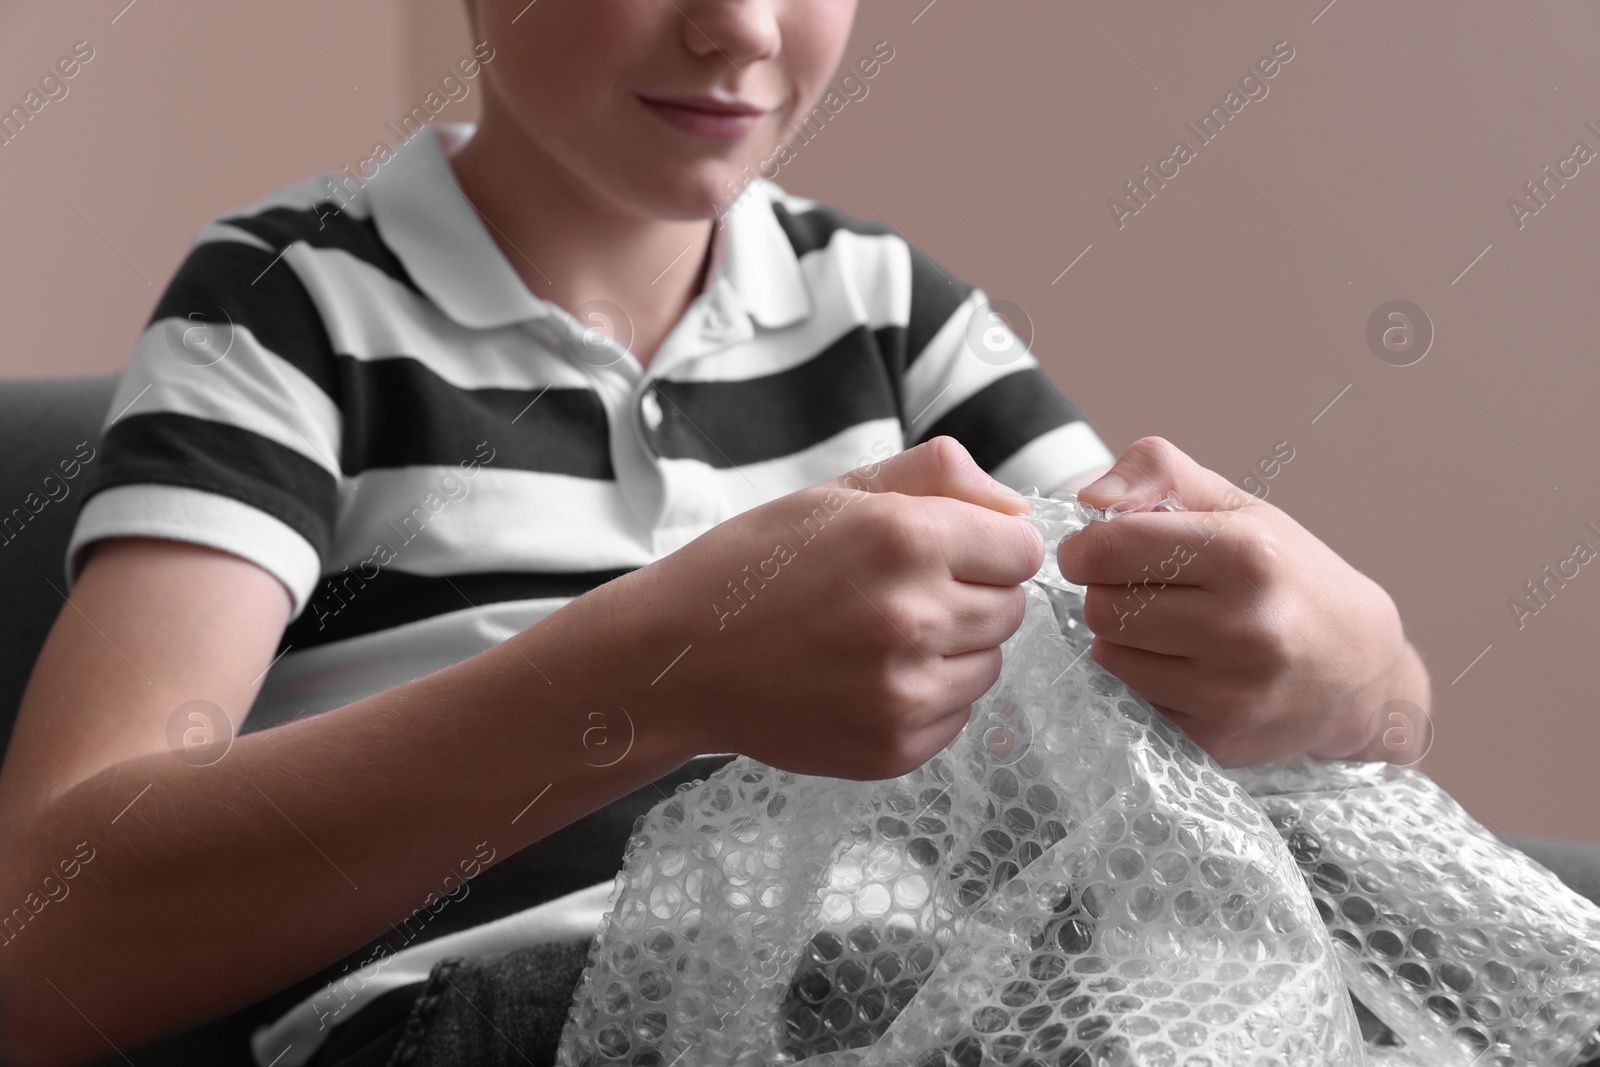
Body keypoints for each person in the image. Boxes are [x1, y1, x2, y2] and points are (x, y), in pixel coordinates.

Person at [0, 1, 1431, 1062]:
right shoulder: (293, 307)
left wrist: (1356, 673)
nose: (739, 27)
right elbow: (45, 936)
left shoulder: (882, 311)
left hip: (924, 989)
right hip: (482, 1011)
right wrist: (651, 672)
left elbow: (1238, 670)